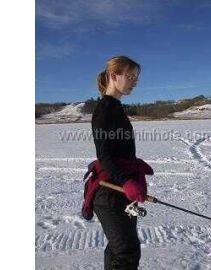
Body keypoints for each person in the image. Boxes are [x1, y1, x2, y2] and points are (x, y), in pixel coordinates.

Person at [87, 56, 153, 270]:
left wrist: (134, 166)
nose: (135, 81)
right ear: (114, 76)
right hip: (109, 193)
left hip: (120, 191)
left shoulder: (115, 107)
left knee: (119, 249)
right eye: (130, 76)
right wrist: (126, 181)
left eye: (136, 77)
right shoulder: (105, 109)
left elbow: (118, 150)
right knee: (126, 251)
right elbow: (104, 155)